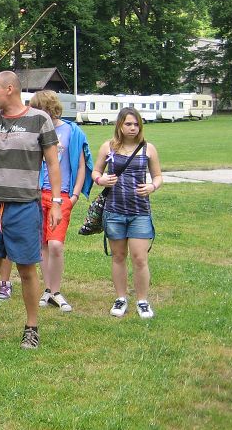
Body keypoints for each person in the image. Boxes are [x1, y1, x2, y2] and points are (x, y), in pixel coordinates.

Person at [0, 67, 62, 350]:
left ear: (10, 89)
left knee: (27, 269)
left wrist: (56, 202)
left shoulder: (39, 119)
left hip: (24, 205)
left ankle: (31, 328)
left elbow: (53, 163)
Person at [92, 107, 163, 319]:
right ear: (120, 125)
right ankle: (121, 298)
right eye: (128, 124)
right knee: (118, 256)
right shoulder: (108, 147)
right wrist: (101, 179)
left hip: (140, 212)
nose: (133, 128)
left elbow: (158, 176)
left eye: (136, 124)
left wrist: (152, 186)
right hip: (114, 211)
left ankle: (142, 301)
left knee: (140, 258)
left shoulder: (148, 148)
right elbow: (96, 171)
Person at [30, 90, 93, 313]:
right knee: (43, 245)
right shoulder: (35, 132)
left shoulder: (72, 131)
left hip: (62, 195)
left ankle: (56, 291)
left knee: (56, 244)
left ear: (48, 108)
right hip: (37, 194)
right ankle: (48, 290)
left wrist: (74, 195)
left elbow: (81, 165)